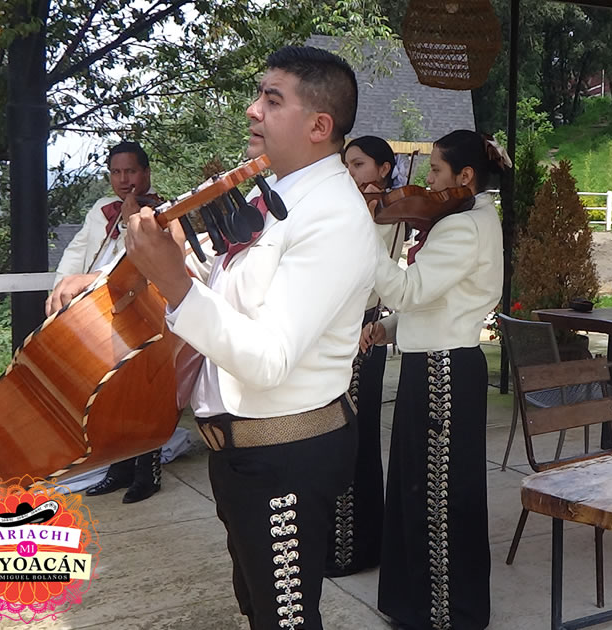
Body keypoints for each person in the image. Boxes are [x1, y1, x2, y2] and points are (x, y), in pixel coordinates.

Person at [123, 46, 377, 630]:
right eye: (259, 94)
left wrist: (172, 280)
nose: (251, 110)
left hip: (285, 455)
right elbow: (223, 293)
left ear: (319, 126)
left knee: (285, 620)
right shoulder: (272, 197)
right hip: (241, 450)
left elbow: (268, 360)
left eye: (272, 98)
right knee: (257, 608)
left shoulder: (334, 215)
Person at [360, 129, 506, 630]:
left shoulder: (464, 227)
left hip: (444, 370)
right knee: (417, 488)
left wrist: (363, 236)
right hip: (436, 362)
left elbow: (406, 289)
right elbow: (441, 299)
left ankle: (443, 614)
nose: (429, 182)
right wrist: (390, 328)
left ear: (466, 176)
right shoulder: (470, 217)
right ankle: (416, 604)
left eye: (437, 171)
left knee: (438, 497)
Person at [50, 140, 164, 503]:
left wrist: (132, 216)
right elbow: (77, 252)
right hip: (97, 312)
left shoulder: (159, 211)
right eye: (116, 172)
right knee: (111, 394)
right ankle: (118, 468)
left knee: (143, 394)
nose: (123, 178)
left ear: (145, 173)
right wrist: (58, 293)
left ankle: (148, 473)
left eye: (130, 171)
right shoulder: (100, 209)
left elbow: (131, 261)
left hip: (139, 311)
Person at [324, 135, 402, 577]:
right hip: (338, 332)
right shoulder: (355, 209)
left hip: (362, 331)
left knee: (356, 438)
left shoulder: (387, 214)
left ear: (384, 169)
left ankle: (355, 546)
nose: (351, 175)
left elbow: (372, 269)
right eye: (347, 166)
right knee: (339, 439)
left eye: (358, 166)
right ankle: (346, 542)